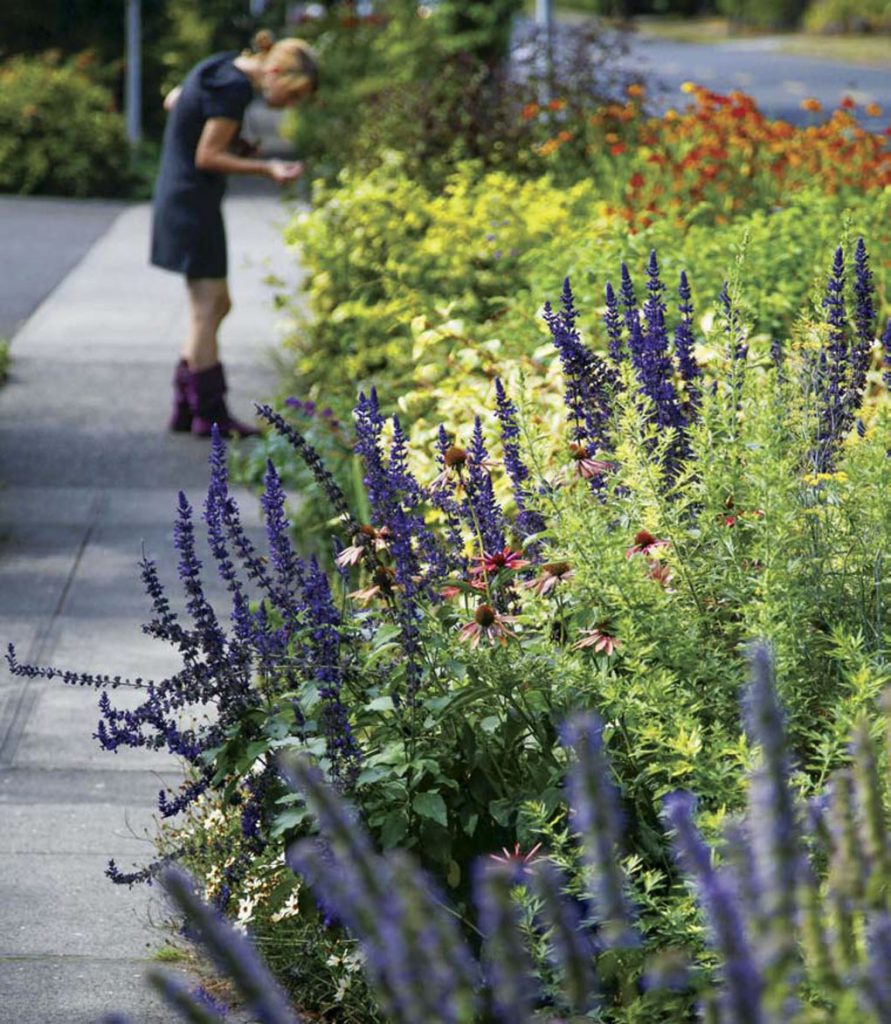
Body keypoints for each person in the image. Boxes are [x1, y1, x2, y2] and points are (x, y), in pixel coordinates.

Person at [151, 38, 318, 437]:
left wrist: (234, 142)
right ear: (275, 73)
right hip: (193, 202)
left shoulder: (221, 65)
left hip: (183, 197)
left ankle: (186, 405)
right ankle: (209, 414)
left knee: (212, 305)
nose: (287, 105)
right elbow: (206, 157)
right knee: (209, 306)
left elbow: (175, 100)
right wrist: (268, 169)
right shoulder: (234, 87)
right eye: (292, 95)